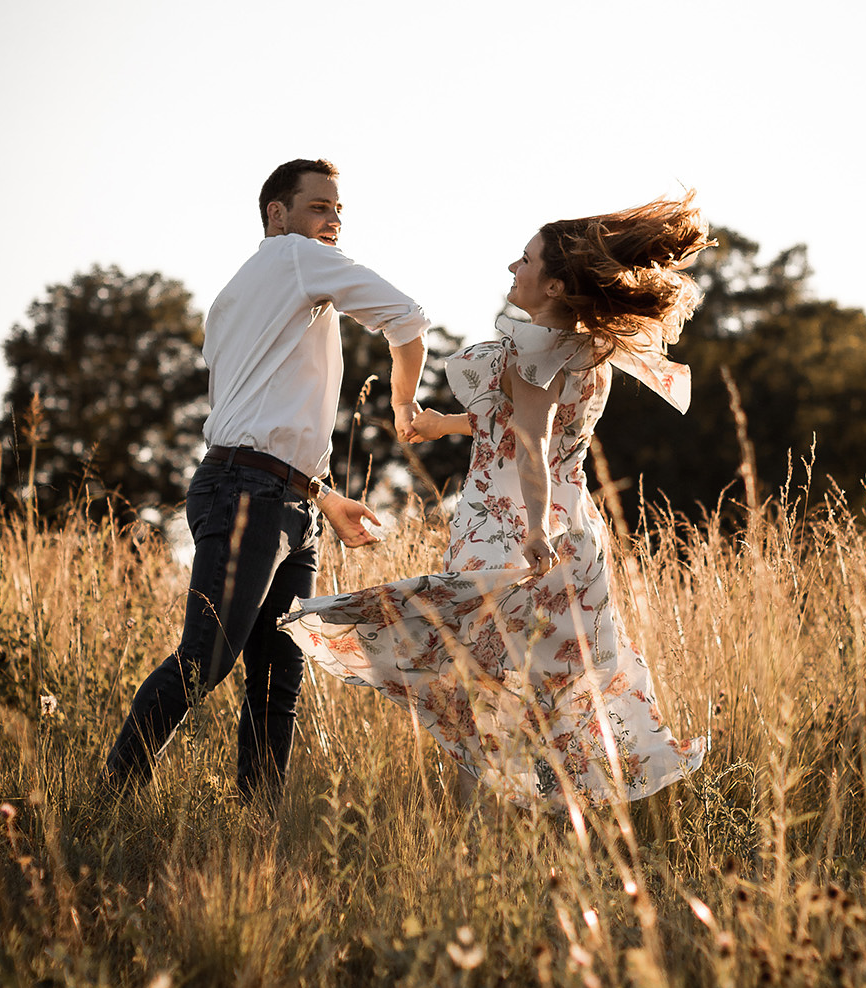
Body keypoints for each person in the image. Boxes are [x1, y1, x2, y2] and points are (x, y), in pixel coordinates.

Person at [279, 191, 708, 811]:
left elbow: (532, 443)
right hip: (573, 527)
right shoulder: (587, 349)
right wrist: (444, 425)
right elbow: (524, 424)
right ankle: (547, 811)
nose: (513, 267)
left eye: (525, 260)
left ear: (554, 286)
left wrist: (532, 530)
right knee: (544, 680)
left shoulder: (534, 350)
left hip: (510, 532)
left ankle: (491, 818)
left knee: (471, 673)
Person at [103, 157, 430, 802]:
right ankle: (106, 801)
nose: (332, 221)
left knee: (278, 679)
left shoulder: (237, 295)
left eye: (338, 210)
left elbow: (260, 417)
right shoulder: (296, 257)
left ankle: (257, 828)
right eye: (318, 207)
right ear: (277, 215)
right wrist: (403, 404)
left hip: (282, 496)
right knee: (206, 659)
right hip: (249, 495)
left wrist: (322, 497)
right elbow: (409, 318)